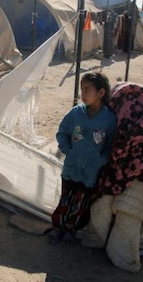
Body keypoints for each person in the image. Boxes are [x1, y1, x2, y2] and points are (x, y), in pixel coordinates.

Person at [49, 71, 117, 244]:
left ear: (101, 93)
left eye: (87, 90)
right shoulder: (75, 114)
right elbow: (62, 133)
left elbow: (111, 145)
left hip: (91, 171)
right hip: (71, 167)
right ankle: (58, 228)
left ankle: (71, 230)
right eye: (82, 90)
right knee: (65, 199)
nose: (83, 94)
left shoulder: (109, 120)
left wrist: (101, 160)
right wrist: (68, 151)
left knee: (81, 203)